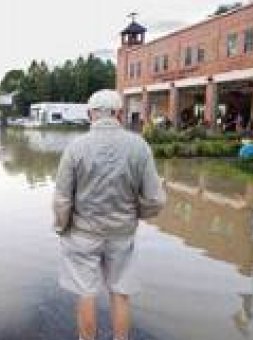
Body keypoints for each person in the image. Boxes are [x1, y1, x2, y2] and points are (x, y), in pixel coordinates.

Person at [53, 89, 167, 340]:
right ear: (120, 113)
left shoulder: (75, 147)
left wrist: (61, 226)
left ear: (90, 114)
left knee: (86, 292)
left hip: (83, 232)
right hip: (122, 233)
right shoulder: (139, 146)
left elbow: (62, 198)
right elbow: (155, 199)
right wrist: (137, 214)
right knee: (120, 292)